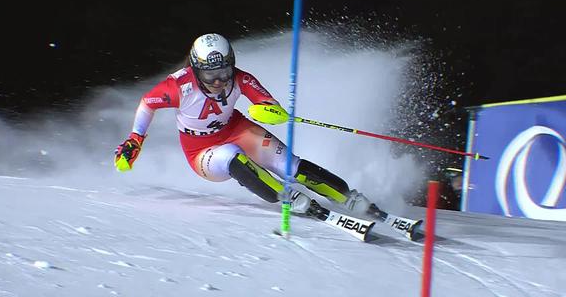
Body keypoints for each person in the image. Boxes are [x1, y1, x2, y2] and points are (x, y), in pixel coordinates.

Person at [114, 33, 377, 217]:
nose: (219, 82)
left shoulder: (241, 78)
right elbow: (148, 103)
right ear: (196, 69)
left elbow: (266, 101)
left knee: (289, 164)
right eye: (210, 75)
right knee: (232, 157)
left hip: (236, 129)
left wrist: (270, 110)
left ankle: (347, 197)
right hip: (201, 150)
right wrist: (136, 139)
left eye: (224, 73)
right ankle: (288, 197)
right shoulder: (178, 86)